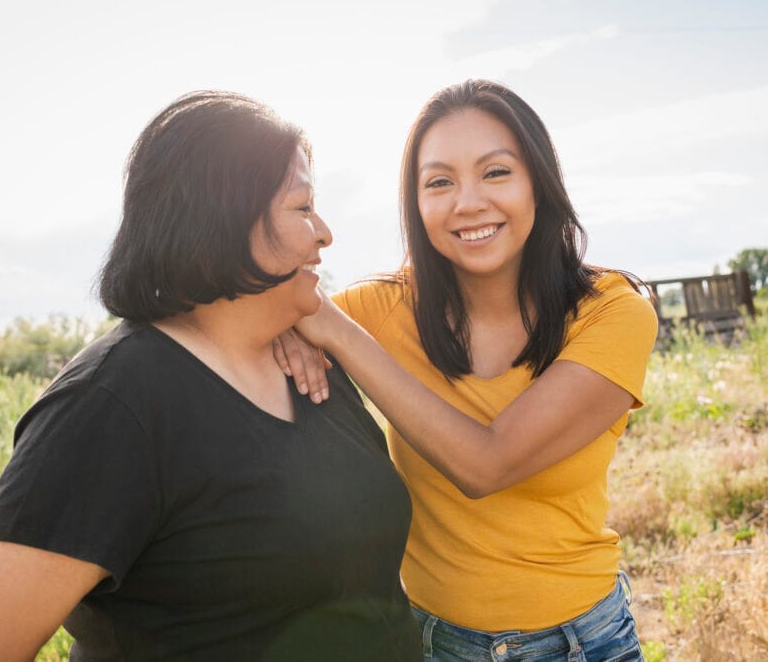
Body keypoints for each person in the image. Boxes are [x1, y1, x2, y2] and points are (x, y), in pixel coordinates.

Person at [0, 91, 422, 661]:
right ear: (223, 219)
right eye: (302, 207)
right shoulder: (110, 405)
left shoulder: (308, 365)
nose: (325, 232)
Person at [276, 79, 658, 661]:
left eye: (496, 172)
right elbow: (249, 306)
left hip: (582, 644)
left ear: (539, 181)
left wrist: (328, 330)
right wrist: (286, 324)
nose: (468, 202)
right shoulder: (379, 308)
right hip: (432, 644)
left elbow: (487, 464)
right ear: (416, 203)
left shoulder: (613, 311)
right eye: (439, 182)